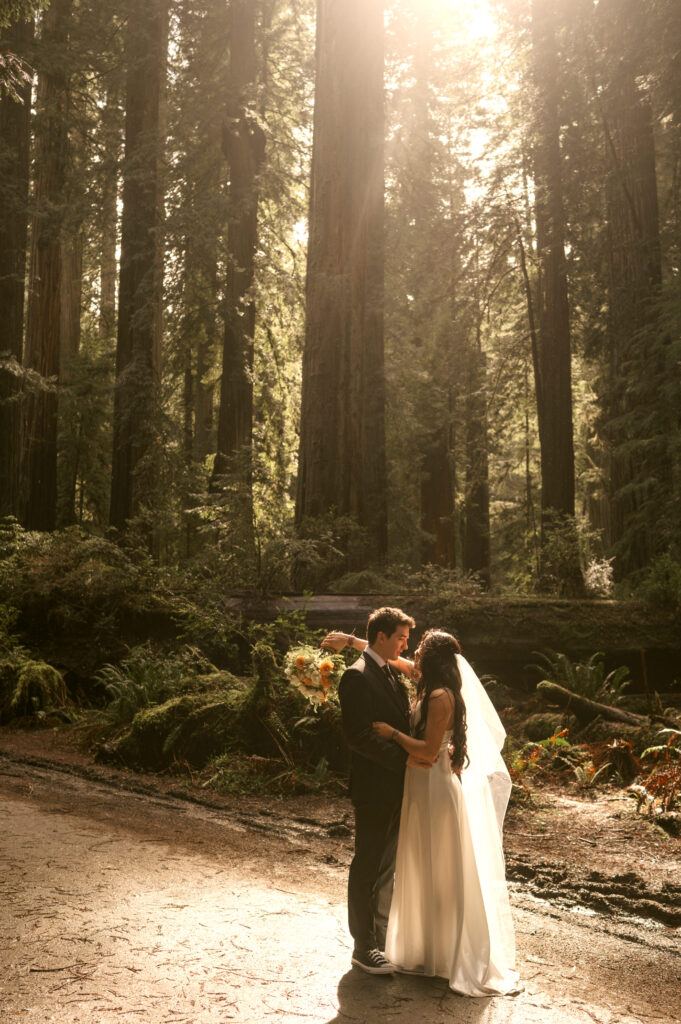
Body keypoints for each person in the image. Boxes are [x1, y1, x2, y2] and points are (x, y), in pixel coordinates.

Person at [324, 626, 520, 997]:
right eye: (404, 639)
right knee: (420, 869)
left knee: (442, 869)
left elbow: (429, 752)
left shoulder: (440, 695)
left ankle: (450, 953)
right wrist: (351, 642)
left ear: (430, 659)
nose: (410, 652)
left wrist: (391, 734)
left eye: (418, 650)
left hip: (432, 786)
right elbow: (385, 655)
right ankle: (426, 950)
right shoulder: (428, 681)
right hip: (418, 788)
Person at [324, 606, 420, 975]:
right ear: (381, 637)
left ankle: (379, 939)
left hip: (396, 786)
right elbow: (359, 736)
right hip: (374, 787)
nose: (405, 645)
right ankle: (363, 946)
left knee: (385, 866)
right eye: (401, 637)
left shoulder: (388, 672)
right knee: (367, 862)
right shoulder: (357, 676)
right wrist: (406, 761)